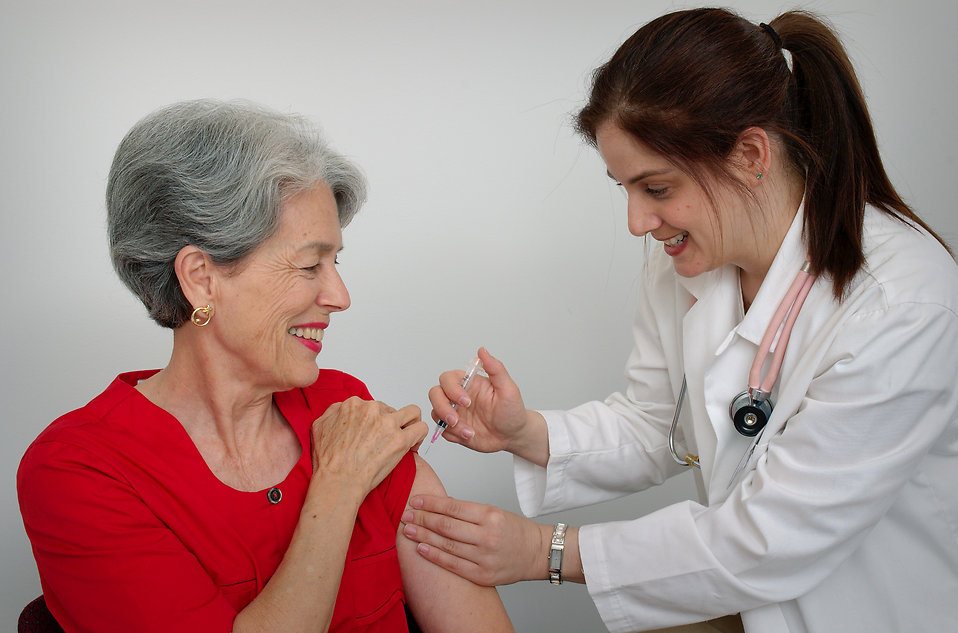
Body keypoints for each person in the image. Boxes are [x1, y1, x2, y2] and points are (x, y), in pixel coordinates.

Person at [400, 8, 958, 633]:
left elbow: (769, 539)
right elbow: (659, 426)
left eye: (657, 189)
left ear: (750, 154)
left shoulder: (901, 303)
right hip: (747, 606)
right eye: (625, 190)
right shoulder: (689, 262)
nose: (637, 223)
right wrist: (524, 432)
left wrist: (546, 552)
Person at [17, 100, 515, 633]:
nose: (340, 296)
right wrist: (339, 486)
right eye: (308, 264)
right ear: (201, 278)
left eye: (336, 262)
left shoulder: (344, 409)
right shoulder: (81, 471)